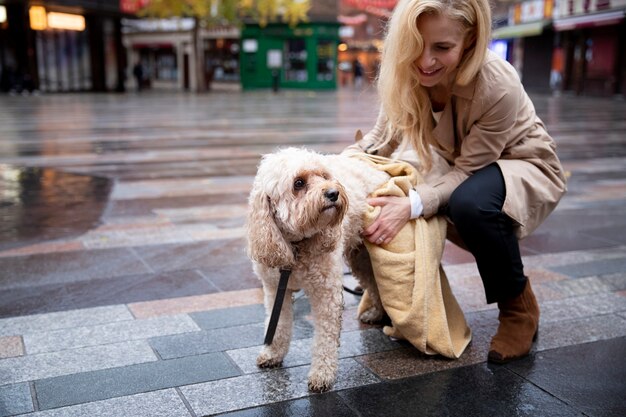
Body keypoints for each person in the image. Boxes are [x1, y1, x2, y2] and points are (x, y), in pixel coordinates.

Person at [350, 0, 567, 363]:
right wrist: (333, 172)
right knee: (411, 190)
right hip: (466, 170)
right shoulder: (409, 68)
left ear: (469, 40)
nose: (425, 61)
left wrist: (413, 204)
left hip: (521, 165)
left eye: (442, 48)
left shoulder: (497, 82)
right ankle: (398, 292)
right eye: (416, 44)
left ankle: (518, 307)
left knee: (468, 204)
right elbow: (380, 140)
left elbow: (468, 171)